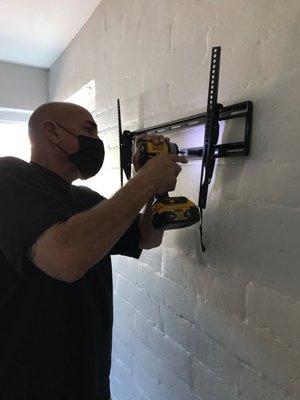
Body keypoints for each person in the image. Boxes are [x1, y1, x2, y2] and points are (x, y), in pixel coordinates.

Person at [0, 102, 187, 400]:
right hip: (26, 383)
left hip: (88, 379)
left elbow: (147, 237)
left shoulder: (84, 198)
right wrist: (146, 179)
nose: (96, 141)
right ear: (52, 132)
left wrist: (155, 191)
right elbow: (65, 259)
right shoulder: (10, 178)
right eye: (88, 130)